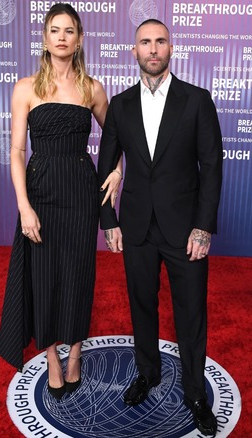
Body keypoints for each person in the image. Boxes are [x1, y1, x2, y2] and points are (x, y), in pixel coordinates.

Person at [98, 19, 223, 437]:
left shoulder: (197, 100)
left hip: (185, 229)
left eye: (160, 41)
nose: (153, 49)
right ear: (133, 51)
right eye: (144, 43)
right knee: (142, 306)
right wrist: (108, 220)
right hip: (136, 226)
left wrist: (203, 228)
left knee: (191, 314)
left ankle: (194, 394)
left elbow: (212, 168)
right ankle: (147, 373)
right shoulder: (119, 104)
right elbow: (106, 166)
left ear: (172, 48)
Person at [0, 3, 121, 400]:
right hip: (41, 195)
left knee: (79, 274)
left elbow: (119, 138)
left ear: (79, 38)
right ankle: (52, 357)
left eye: (69, 30)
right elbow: (17, 152)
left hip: (82, 194)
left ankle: (75, 355)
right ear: (45, 38)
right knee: (45, 277)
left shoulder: (93, 88)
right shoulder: (25, 87)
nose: (62, 36)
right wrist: (23, 206)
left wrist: (117, 170)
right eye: (55, 30)